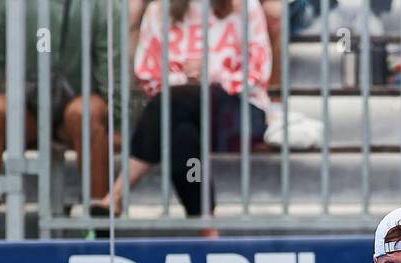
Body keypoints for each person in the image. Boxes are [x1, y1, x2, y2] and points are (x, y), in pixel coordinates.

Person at [95, 0, 271, 237]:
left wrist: (211, 73)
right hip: (177, 110)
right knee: (182, 135)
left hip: (237, 113)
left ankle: (117, 194)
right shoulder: (160, 11)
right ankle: (207, 229)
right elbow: (148, 76)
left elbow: (259, 71)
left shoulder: (245, 7)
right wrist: (185, 82)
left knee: (175, 103)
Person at [0, 0, 113, 240]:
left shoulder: (98, 4)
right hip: (25, 109)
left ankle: (98, 225)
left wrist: (120, 124)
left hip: (75, 105)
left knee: (86, 114)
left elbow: (109, 66)